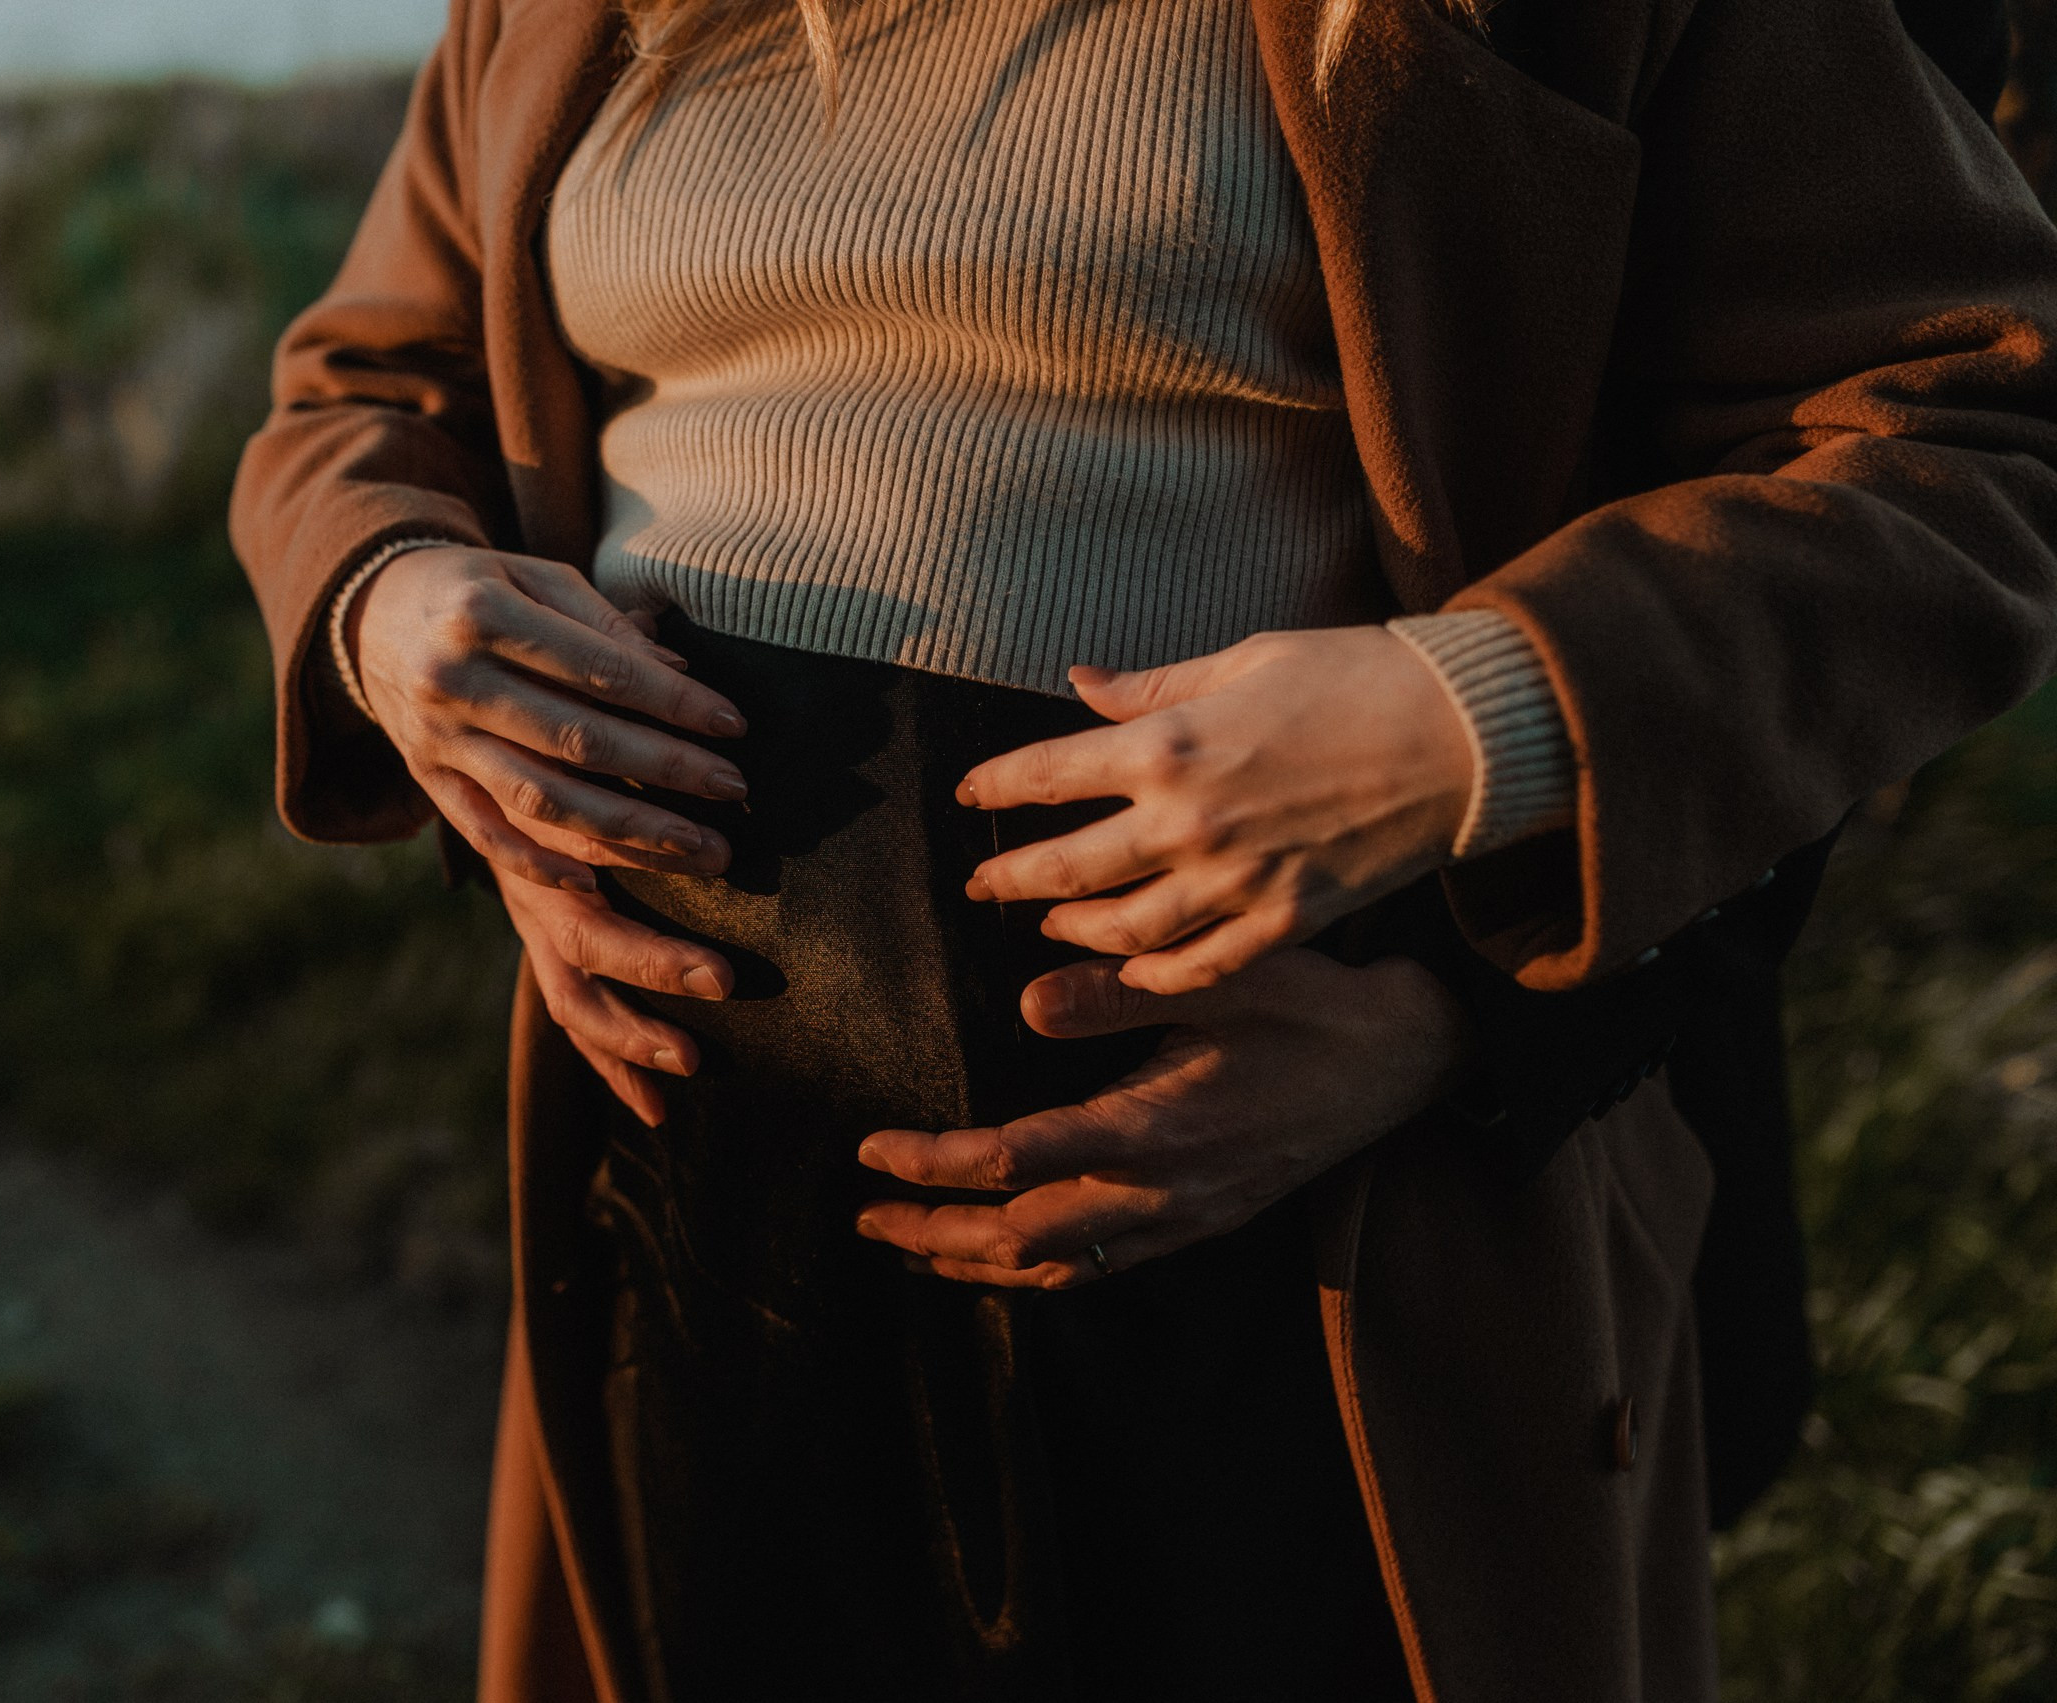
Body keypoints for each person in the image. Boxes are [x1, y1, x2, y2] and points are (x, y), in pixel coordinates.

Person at [229, 0, 2057, 1696]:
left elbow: (1960, 427)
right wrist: (386, 609)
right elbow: (365, 393)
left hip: (1328, 1253)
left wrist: (1471, 732)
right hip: (692, 1208)